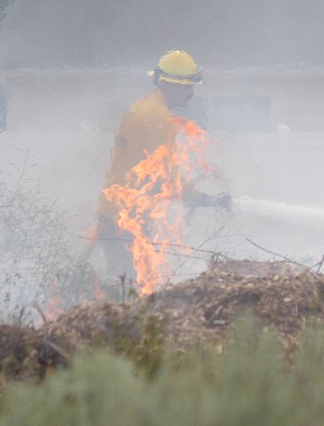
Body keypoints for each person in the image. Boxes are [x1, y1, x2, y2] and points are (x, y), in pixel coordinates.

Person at [94, 49, 229, 284]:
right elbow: (164, 176)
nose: (191, 93)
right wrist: (202, 199)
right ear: (171, 86)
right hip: (128, 219)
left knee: (123, 281)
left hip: (117, 212)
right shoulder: (158, 119)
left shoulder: (144, 108)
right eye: (187, 87)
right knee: (132, 284)